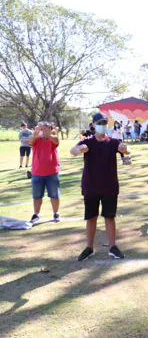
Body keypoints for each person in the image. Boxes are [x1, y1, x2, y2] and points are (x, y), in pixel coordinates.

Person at [70, 112, 130, 261]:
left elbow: (126, 151)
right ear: (93, 125)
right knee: (91, 217)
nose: (102, 126)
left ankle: (113, 247)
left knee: (110, 217)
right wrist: (79, 150)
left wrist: (125, 151)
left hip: (109, 186)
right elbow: (73, 151)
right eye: (99, 123)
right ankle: (89, 248)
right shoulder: (87, 142)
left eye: (104, 123)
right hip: (91, 186)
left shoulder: (114, 142)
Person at [27, 122, 61, 223]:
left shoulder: (53, 139)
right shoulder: (35, 139)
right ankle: (36, 214)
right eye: (42, 129)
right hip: (37, 173)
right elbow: (30, 141)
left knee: (54, 195)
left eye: (45, 129)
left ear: (50, 129)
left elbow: (56, 141)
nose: (43, 131)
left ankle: (56, 213)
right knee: (37, 196)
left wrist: (49, 134)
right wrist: (34, 134)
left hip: (52, 172)